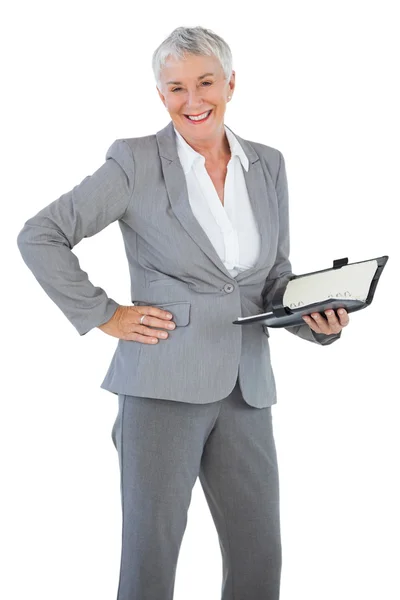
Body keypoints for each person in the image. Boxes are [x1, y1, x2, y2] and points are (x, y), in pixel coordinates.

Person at [17, 25, 349, 600]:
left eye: (205, 82)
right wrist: (106, 314)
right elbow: (40, 235)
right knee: (152, 554)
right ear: (160, 95)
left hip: (247, 388)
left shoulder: (267, 164)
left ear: (231, 83)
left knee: (259, 555)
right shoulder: (134, 162)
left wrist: (315, 318)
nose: (193, 101)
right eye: (175, 88)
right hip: (160, 386)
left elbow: (272, 279)